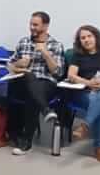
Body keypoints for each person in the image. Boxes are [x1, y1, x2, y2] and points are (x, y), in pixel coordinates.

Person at [7, 11, 65, 155]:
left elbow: (58, 73)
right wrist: (18, 64)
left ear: (45, 26)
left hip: (46, 83)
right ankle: (45, 110)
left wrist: (46, 54)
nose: (32, 28)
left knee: (32, 94)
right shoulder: (23, 42)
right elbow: (9, 66)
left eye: (36, 25)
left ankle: (26, 142)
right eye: (31, 24)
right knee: (28, 76)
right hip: (22, 82)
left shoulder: (56, 45)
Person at [61, 24, 100, 162]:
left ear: (96, 37)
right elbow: (71, 75)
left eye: (89, 36)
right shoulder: (77, 56)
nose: (86, 40)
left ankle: (86, 125)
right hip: (85, 93)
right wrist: (88, 83)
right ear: (79, 41)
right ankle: (99, 147)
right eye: (83, 38)